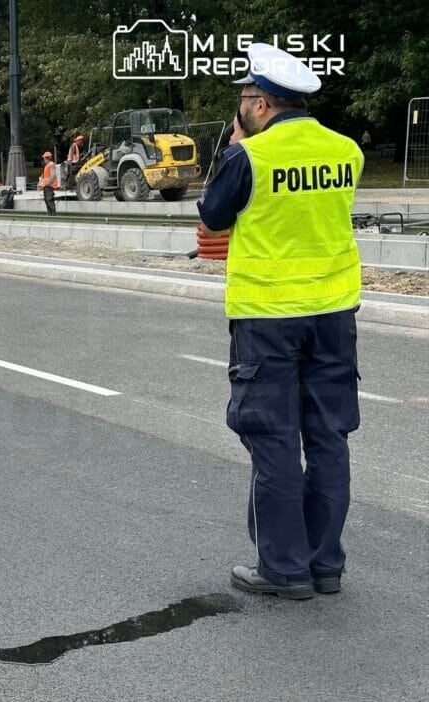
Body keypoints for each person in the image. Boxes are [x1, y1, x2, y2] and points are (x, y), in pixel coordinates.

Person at [197, 43, 364, 600]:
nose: (241, 108)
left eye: (244, 98)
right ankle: (325, 565)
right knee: (328, 438)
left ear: (261, 103)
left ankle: (284, 568)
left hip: (268, 318)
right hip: (334, 315)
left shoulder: (250, 156)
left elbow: (212, 217)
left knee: (273, 439)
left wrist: (233, 151)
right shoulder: (346, 151)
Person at [38, 151, 59, 215]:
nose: (44, 159)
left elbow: (53, 175)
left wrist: (48, 183)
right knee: (47, 200)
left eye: (44, 158)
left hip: (49, 186)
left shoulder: (51, 164)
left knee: (49, 200)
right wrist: (41, 184)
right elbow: (45, 176)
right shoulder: (48, 165)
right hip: (46, 185)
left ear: (47, 158)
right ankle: (49, 214)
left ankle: (53, 214)